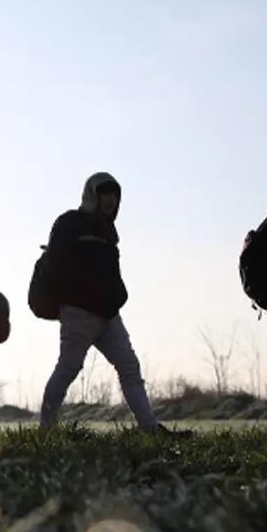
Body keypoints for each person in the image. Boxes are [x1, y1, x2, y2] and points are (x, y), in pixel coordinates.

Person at [38, 174, 177, 435]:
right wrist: (74, 298)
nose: (111, 200)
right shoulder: (69, 222)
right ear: (92, 195)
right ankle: (46, 431)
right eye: (105, 194)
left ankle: (150, 429)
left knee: (130, 368)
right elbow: (55, 265)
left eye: (114, 195)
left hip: (109, 315)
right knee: (68, 369)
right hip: (79, 313)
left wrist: (117, 296)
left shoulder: (108, 230)